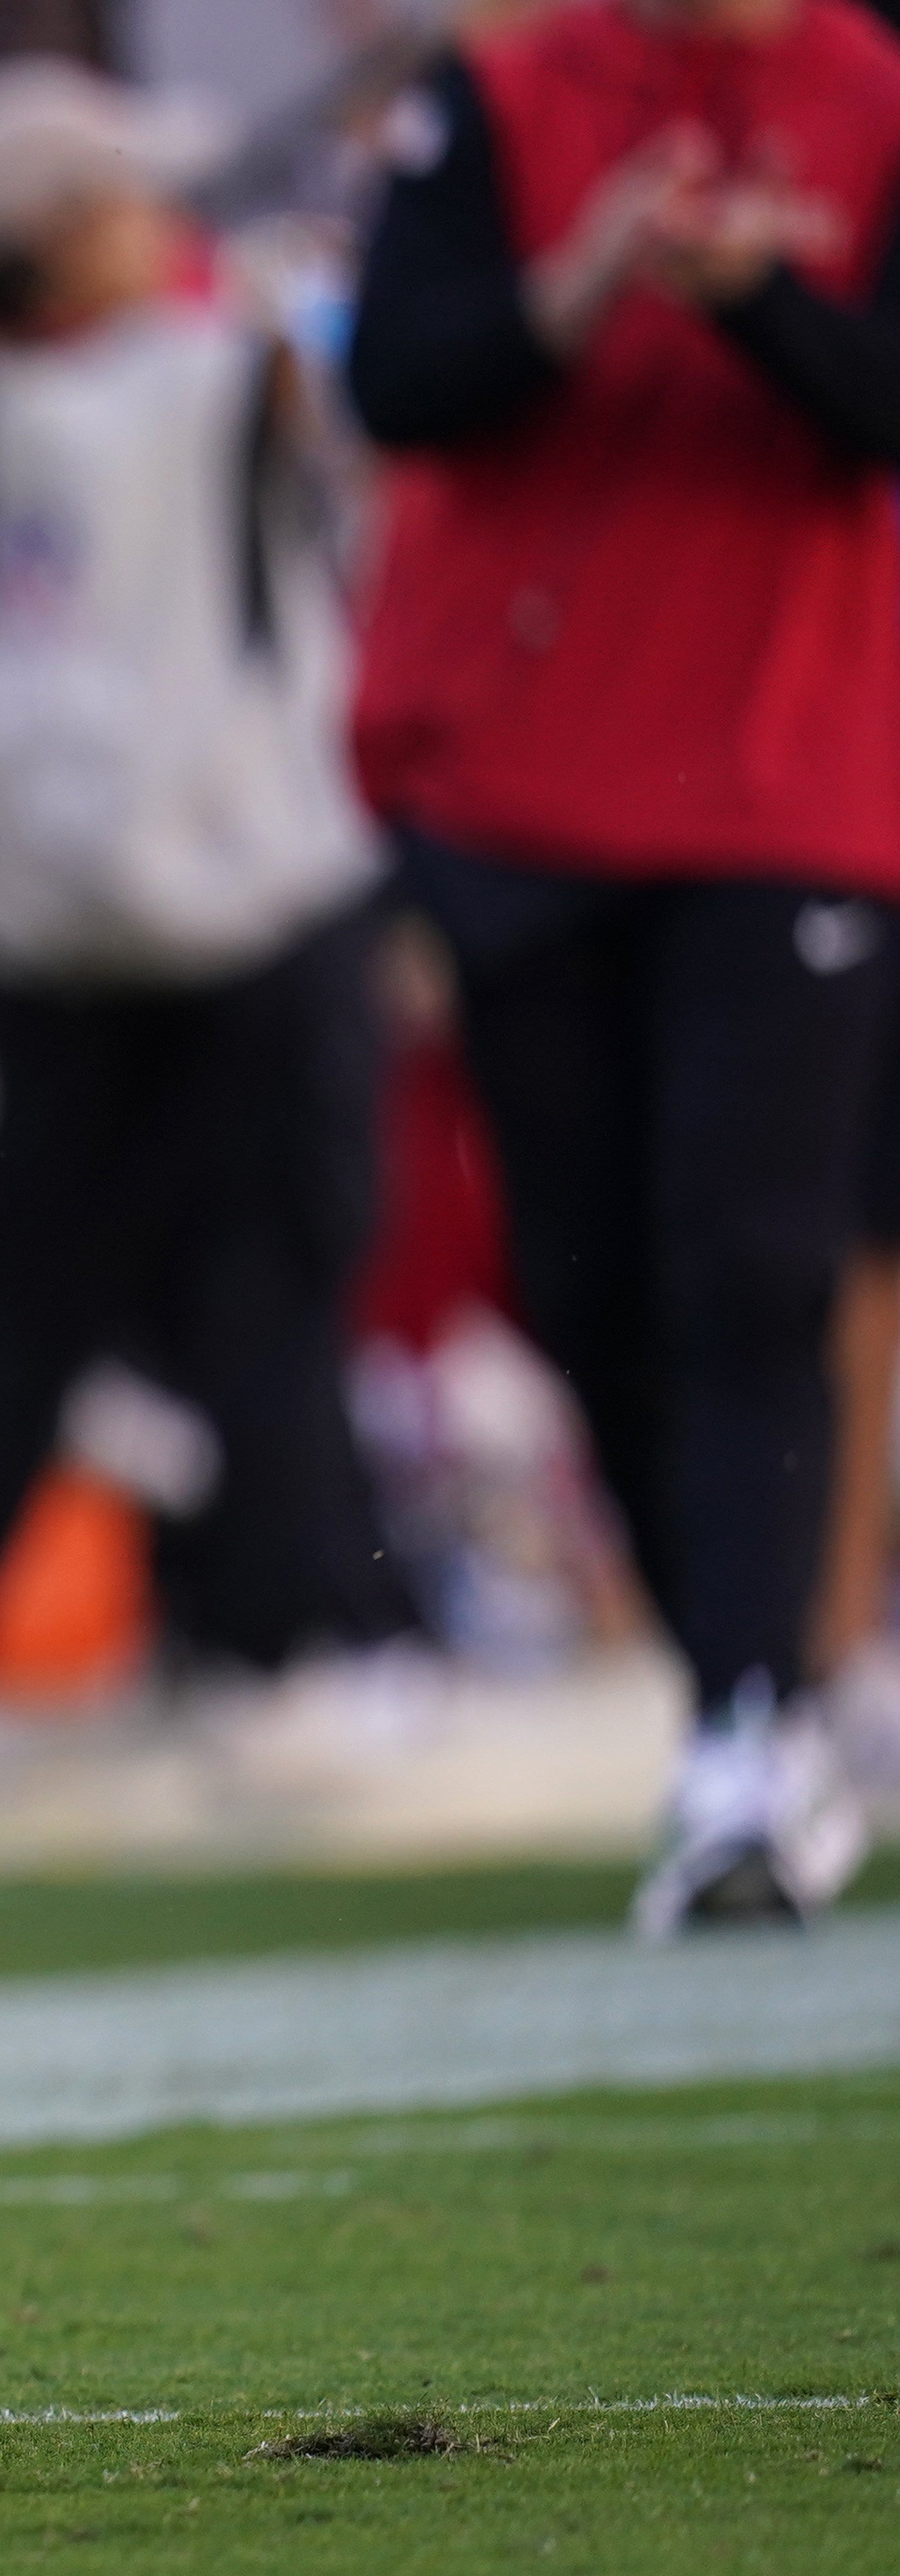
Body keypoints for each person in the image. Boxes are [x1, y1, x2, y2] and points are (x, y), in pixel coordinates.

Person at [345, 0, 900, 1933]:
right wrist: (576, 290)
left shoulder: (873, 90)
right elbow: (397, 383)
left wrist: (757, 300)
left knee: (751, 1258)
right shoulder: (498, 95)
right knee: (581, 1278)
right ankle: (747, 1698)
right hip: (518, 777)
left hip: (791, 775)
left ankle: (752, 1726)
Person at [0, 57, 414, 1685]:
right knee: (153, 1284)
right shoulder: (127, 381)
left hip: (119, 909)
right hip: (186, 904)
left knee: (151, 1293)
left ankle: (246, 1617)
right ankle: (265, 1624)